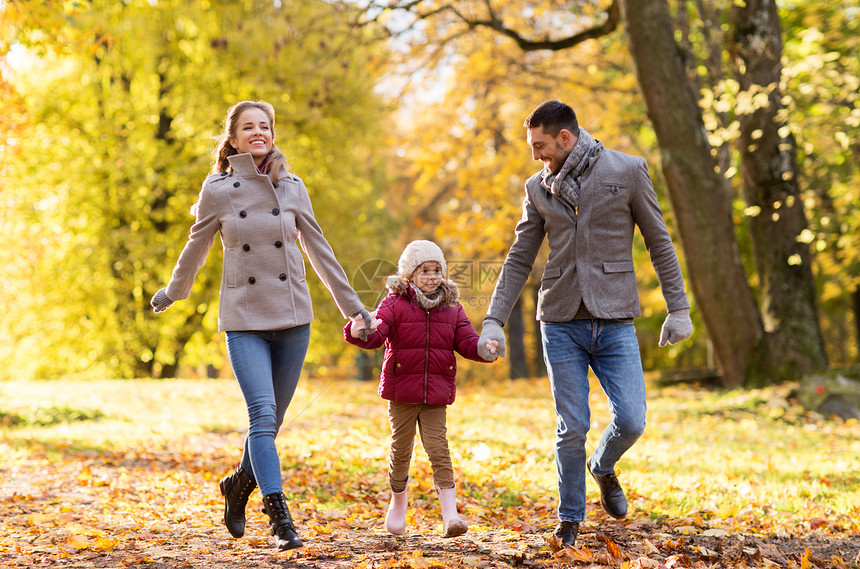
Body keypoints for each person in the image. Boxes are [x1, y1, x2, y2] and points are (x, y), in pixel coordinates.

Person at [150, 100, 372, 552]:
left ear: (273, 134)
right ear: (232, 139)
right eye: (248, 127)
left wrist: (354, 308)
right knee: (263, 418)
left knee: (270, 426)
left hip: (293, 318)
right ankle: (280, 517)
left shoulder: (292, 185)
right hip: (245, 318)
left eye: (265, 126)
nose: (258, 133)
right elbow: (196, 245)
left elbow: (319, 248)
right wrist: (174, 291)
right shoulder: (218, 189)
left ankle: (237, 485)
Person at [477, 100, 693, 547]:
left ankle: (603, 466)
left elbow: (658, 240)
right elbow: (520, 256)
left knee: (632, 420)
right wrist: (494, 319)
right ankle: (570, 519)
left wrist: (679, 308)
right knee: (570, 425)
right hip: (559, 319)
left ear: (564, 137)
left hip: (614, 318)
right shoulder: (537, 188)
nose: (535, 155)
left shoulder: (628, 170)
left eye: (540, 146)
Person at [344, 240, 499, 537]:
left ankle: (450, 515)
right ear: (410, 275)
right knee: (401, 451)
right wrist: (358, 330)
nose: (432, 276)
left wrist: (484, 347)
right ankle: (398, 503)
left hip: (435, 394)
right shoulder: (394, 303)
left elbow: (466, 341)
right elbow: (377, 334)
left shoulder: (452, 307)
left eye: (437, 270)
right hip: (402, 392)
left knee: (439, 450)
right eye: (425, 270)